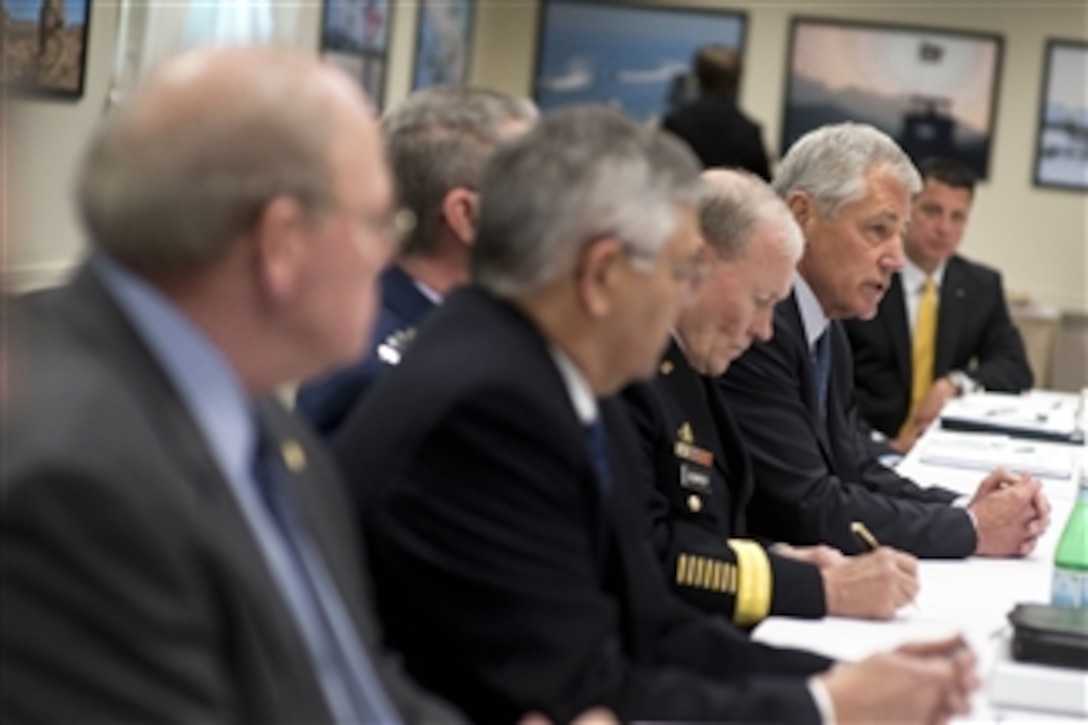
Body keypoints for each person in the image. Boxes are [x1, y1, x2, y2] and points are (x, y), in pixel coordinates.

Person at [335, 106, 978, 725]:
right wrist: (831, 708)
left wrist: (831, 680)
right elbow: (583, 686)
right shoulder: (487, 410)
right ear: (602, 275)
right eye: (678, 272)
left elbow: (651, 620)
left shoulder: (559, 380)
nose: (686, 297)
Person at [0, 46, 460, 722]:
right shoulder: (79, 481)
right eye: (375, 222)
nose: (386, 253)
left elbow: (360, 687)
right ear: (281, 244)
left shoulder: (267, 426)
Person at [717, 123, 1050, 560]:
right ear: (802, 216)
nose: (896, 258)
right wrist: (970, 529)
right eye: (878, 229)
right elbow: (809, 507)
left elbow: (854, 467)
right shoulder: (761, 328)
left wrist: (963, 507)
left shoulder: (825, 325)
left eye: (899, 232)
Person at [621, 168, 919, 625]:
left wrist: (785, 562)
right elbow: (654, 558)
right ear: (698, 265)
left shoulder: (692, 363)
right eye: (760, 300)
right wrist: (815, 587)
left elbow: (713, 533)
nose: (764, 330)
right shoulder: (630, 375)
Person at [296, 86, 537, 436]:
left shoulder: (499, 324)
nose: (556, 211)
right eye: (539, 191)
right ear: (466, 215)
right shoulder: (373, 377)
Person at [844, 157, 1033, 452]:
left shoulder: (981, 285)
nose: (944, 228)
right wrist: (887, 447)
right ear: (906, 210)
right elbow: (832, 393)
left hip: (944, 449)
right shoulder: (865, 277)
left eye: (958, 216)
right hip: (868, 448)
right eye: (932, 211)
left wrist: (954, 383)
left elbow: (1015, 367)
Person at [661, 43, 771, 180]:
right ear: (737, 80)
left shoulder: (674, 123)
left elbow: (658, 176)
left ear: (698, 76)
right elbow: (762, 186)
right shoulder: (749, 131)